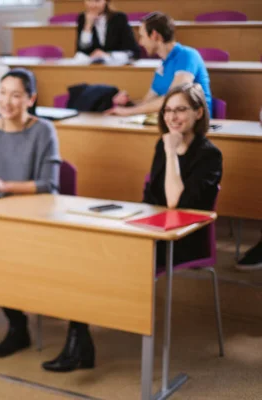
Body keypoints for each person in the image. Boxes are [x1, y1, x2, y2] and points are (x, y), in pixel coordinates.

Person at [43, 83, 222, 372]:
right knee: (88, 253)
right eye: (168, 111)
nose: (173, 117)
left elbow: (177, 203)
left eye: (181, 110)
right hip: (154, 228)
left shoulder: (208, 154)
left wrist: (172, 152)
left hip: (185, 238)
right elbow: (152, 198)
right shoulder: (162, 144)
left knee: (108, 259)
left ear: (199, 112)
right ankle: (79, 340)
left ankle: (81, 343)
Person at [0, 68, 61, 358]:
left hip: (32, 219)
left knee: (0, 250)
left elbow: (49, 184)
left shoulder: (43, 130)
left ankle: (18, 325)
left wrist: (4, 184)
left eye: (16, 95)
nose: (7, 101)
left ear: (31, 99)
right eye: (3, 93)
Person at [106, 12, 213, 117]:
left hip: (195, 124)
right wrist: (128, 104)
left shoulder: (187, 56)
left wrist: (128, 112)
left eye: (142, 36)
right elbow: (148, 101)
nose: (140, 43)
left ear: (154, 35)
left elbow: (174, 99)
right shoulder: (163, 64)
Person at [75, 0, 140, 63]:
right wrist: (88, 26)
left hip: (116, 66)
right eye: (89, 0)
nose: (92, 5)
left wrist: (108, 55)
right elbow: (81, 51)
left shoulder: (119, 18)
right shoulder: (82, 18)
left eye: (97, 1)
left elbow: (133, 52)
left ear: (106, 1)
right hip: (92, 68)